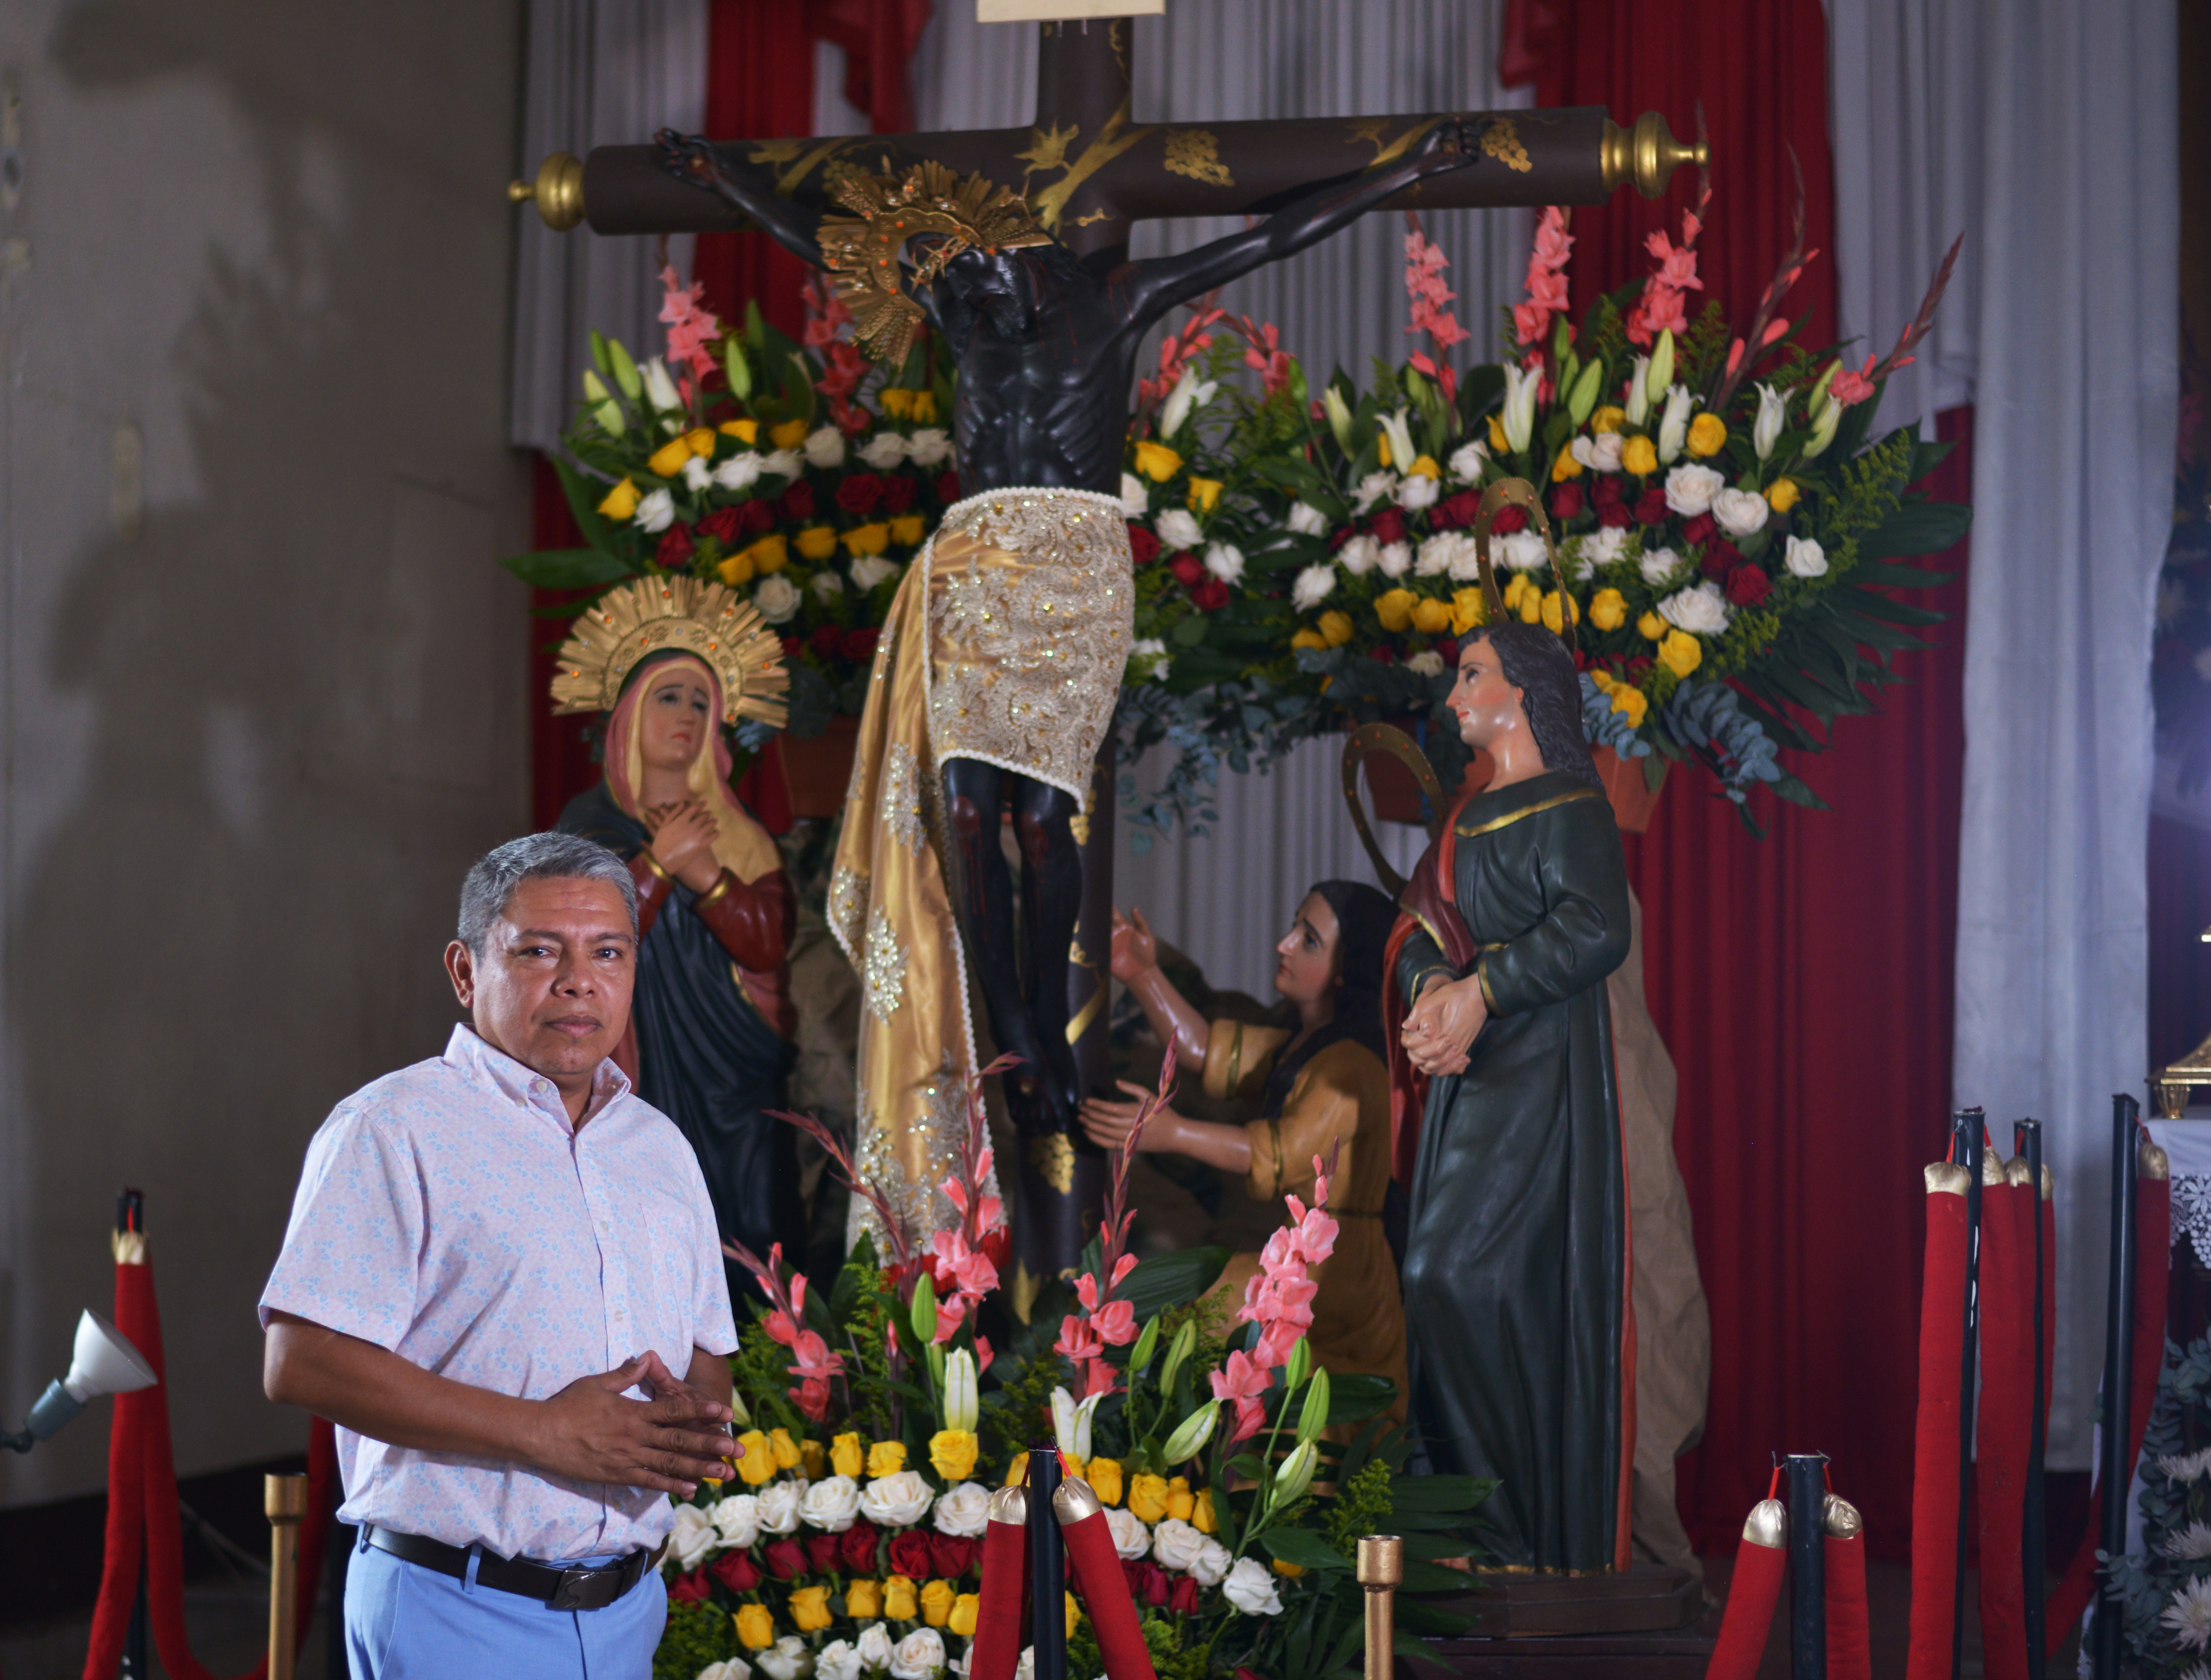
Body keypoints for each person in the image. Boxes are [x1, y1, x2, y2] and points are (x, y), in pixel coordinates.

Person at [658, 121, 1486, 1260]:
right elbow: (823, 239)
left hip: (1073, 567)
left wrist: (1402, 172)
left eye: (991, 281)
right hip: (971, 564)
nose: (978, 301)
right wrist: (724, 177)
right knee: (961, 814)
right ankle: (1012, 1027)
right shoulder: (967, 306)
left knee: (1042, 823)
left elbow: (1271, 237)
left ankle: (1040, 1016)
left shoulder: (1115, 296)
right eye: (966, 289)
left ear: (1029, 259)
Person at [258, 832, 744, 1680]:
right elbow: (301, 1361)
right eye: (538, 950)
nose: (578, 981)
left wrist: (688, 1428)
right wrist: (543, 1432)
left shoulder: (659, 1147)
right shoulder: (393, 1128)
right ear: (463, 967)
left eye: (607, 951)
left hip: (618, 1611)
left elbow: (705, 1354)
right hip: (455, 1605)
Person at [1391, 621, 1634, 1577]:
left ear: (1525, 691)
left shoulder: (1571, 804)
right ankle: (1464, 1520)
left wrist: (1479, 991)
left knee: (1470, 1280)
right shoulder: (1467, 815)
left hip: (1538, 1073)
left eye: (1472, 675)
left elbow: (1595, 925)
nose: (1454, 696)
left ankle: (1510, 1523)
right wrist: (1426, 997)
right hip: (1467, 1072)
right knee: (1435, 1277)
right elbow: (1416, 921)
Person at [548, 576, 799, 1290]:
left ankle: (766, 1385)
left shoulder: (740, 834)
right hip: (636, 1061)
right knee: (646, 1225)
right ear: (630, 715)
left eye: (701, 702)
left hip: (736, 1070)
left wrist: (709, 878)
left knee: (751, 1229)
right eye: (669, 697)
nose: (686, 714)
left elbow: (767, 946)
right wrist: (659, 864)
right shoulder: (587, 822)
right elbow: (576, 929)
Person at [1083, 883, 1407, 1412]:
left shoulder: (1349, 1066)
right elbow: (1207, 1050)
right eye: (1294, 928)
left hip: (1337, 1268)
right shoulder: (1309, 1045)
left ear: (1350, 968)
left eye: (1307, 940)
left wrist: (1171, 1133)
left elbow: (1272, 1154)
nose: (1283, 944)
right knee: (1198, 1323)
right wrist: (1141, 971)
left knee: (1206, 1318)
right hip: (1306, 1257)